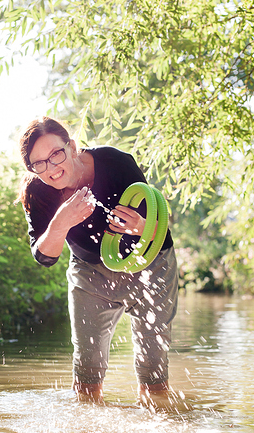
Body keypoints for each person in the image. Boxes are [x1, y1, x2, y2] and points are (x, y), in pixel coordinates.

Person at [17, 116, 186, 412]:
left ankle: (159, 432)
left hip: (150, 264)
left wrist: (140, 226)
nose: (51, 169)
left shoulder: (114, 162)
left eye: (56, 154)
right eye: (39, 163)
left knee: (153, 371)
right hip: (91, 274)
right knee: (87, 374)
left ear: (71, 146)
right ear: (31, 168)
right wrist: (61, 224)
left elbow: (157, 221)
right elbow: (44, 256)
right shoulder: (38, 192)